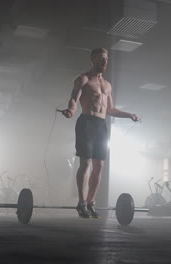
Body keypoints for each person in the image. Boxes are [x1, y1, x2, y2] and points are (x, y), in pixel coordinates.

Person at [61, 48, 139, 218]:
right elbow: (74, 98)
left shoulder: (107, 85)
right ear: (93, 59)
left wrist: (129, 115)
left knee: (100, 166)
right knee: (86, 163)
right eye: (101, 59)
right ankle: (81, 203)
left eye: (106, 59)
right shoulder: (83, 79)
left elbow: (110, 109)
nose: (104, 62)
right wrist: (71, 110)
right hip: (86, 123)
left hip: (101, 125)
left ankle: (91, 202)